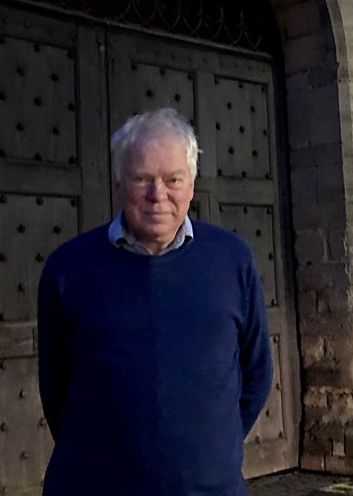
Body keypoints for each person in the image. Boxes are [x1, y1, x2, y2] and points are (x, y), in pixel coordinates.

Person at [37, 107, 274, 496]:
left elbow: (257, 372)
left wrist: (210, 451)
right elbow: (55, 388)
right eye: (142, 179)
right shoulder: (68, 269)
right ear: (119, 182)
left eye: (173, 179)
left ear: (192, 184)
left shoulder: (233, 259)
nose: (157, 195)